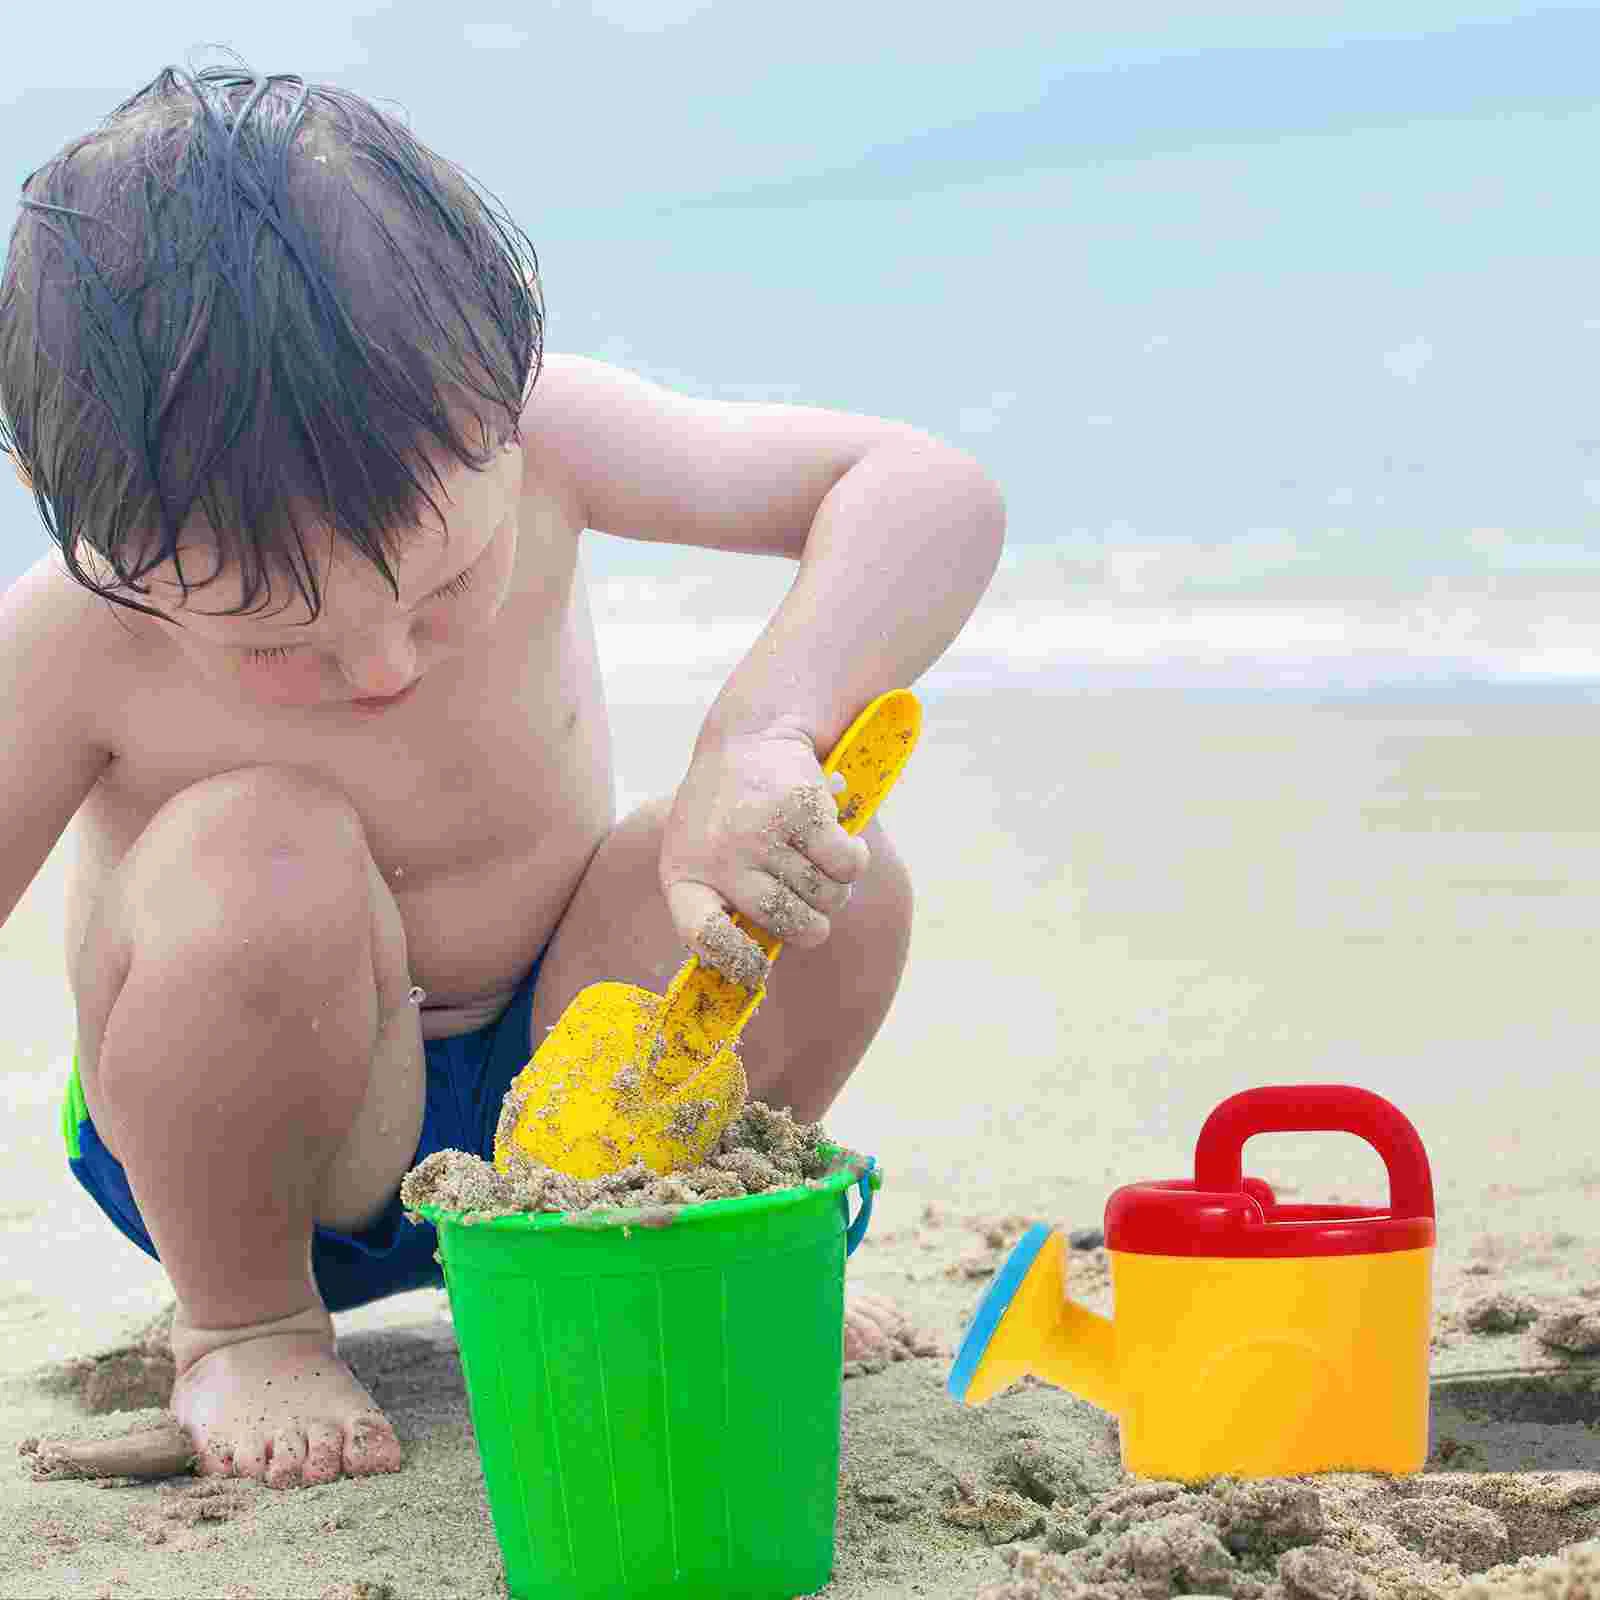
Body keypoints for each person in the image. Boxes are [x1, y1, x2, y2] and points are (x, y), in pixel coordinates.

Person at [0, 65, 1005, 1488]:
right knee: (259, 846)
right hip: (257, 1137)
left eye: (448, 584)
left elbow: (923, 491)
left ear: (501, 403)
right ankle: (244, 1327)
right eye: (276, 643)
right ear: (114, 554)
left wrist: (764, 735)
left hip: (580, 1086)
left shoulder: (549, 438)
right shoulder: (71, 635)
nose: (382, 668)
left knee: (834, 872)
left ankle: (666, 1227)